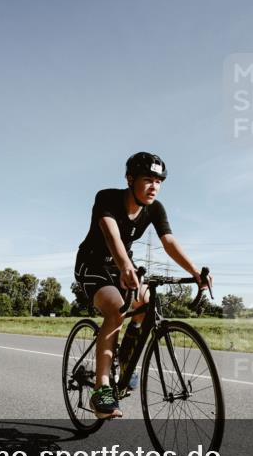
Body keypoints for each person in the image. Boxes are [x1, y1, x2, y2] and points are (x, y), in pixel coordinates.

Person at [74, 152, 211, 419]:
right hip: (92, 265)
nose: (154, 187)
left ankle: (126, 354)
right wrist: (125, 266)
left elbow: (169, 242)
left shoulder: (155, 209)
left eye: (159, 181)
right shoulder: (107, 198)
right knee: (115, 309)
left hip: (123, 266)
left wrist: (195, 272)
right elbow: (110, 232)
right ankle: (101, 390)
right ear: (130, 179)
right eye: (148, 180)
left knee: (146, 302)